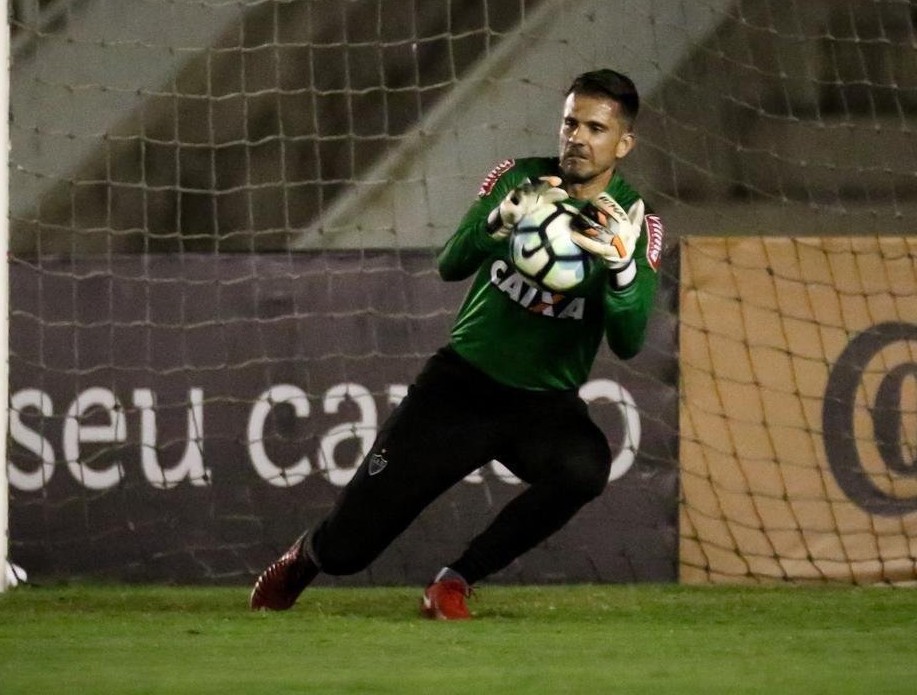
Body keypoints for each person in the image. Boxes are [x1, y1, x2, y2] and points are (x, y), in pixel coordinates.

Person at [250, 68, 663, 619]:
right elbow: (451, 265)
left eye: (595, 127)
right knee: (348, 552)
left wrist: (620, 271)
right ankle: (308, 555)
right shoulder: (519, 179)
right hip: (460, 388)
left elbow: (630, 342)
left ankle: (455, 581)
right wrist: (498, 220)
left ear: (623, 142)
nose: (578, 138)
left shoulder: (635, 223)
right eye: (570, 123)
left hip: (543, 406)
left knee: (584, 468)